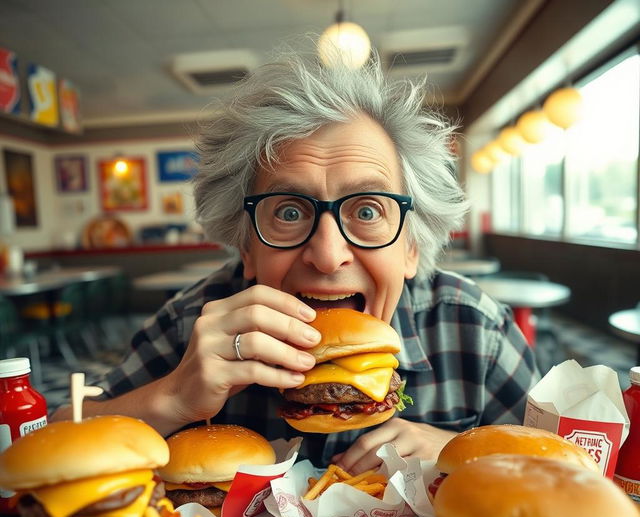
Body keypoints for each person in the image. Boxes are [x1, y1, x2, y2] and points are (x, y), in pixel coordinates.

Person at [52, 46, 539, 472]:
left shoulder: (473, 330)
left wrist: (464, 450)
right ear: (246, 246)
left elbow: (574, 471)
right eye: (288, 210)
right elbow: (49, 441)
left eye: (367, 209)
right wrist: (172, 398)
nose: (328, 256)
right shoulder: (191, 325)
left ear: (411, 245)